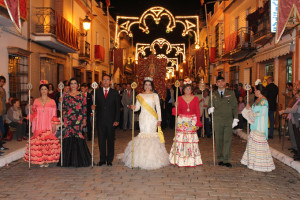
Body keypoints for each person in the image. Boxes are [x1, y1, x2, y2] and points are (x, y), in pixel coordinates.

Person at [121, 77, 169, 170]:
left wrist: (159, 119)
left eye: (149, 85)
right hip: (143, 118)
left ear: (151, 86)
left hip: (152, 118)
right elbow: (138, 108)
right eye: (146, 84)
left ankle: (153, 158)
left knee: (152, 135)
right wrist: (134, 107)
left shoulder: (155, 95)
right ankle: (141, 158)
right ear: (144, 86)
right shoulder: (139, 95)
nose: (147, 86)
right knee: (143, 135)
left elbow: (158, 108)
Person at [23, 81, 60, 167]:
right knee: (39, 142)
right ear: (40, 90)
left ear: (48, 90)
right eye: (42, 89)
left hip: (48, 124)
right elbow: (33, 113)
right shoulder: (36, 101)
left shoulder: (52, 101)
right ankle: (41, 160)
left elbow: (54, 114)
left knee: (46, 143)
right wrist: (30, 108)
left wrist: (54, 125)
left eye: (45, 89)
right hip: (38, 124)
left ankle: (46, 160)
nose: (44, 90)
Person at [241, 79, 275, 172]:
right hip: (255, 125)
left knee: (258, 144)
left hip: (259, 125)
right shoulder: (258, 100)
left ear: (259, 91)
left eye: (255, 90)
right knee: (252, 143)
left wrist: (250, 111)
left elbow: (261, 113)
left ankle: (260, 163)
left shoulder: (264, 101)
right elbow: (253, 109)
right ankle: (252, 161)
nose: (254, 92)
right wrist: (249, 109)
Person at [58, 78, 91, 167]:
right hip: (69, 119)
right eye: (71, 83)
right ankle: (68, 160)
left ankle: (80, 160)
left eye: (74, 83)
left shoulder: (82, 95)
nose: (73, 85)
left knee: (78, 135)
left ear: (77, 85)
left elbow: (84, 108)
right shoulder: (66, 95)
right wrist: (61, 102)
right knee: (68, 135)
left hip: (78, 118)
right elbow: (64, 108)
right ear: (69, 85)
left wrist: (84, 119)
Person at [169, 78, 203, 167]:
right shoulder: (179, 98)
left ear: (192, 90)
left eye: (189, 88)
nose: (187, 90)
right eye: (186, 88)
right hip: (182, 121)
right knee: (181, 140)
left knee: (190, 140)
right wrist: (175, 106)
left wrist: (198, 122)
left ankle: (191, 160)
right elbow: (176, 112)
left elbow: (197, 111)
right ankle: (179, 158)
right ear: (183, 89)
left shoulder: (195, 99)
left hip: (192, 121)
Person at [208, 76, 238, 168]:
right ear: (216, 84)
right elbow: (209, 105)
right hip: (217, 120)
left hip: (228, 119)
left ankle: (227, 159)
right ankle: (220, 158)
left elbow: (234, 106)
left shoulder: (231, 93)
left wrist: (235, 118)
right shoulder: (213, 94)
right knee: (218, 139)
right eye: (218, 82)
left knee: (227, 140)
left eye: (222, 81)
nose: (220, 83)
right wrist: (210, 110)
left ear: (224, 83)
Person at [94, 74, 120, 166]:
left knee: (110, 140)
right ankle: (102, 159)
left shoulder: (114, 92)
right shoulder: (97, 92)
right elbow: (94, 105)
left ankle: (109, 159)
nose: (105, 81)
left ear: (110, 82)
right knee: (101, 140)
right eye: (104, 80)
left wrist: (117, 119)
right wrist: (93, 108)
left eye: (107, 80)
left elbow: (117, 107)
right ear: (101, 81)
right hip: (100, 120)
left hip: (111, 120)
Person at [279, 87, 300, 161]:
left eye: (295, 91)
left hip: (297, 121)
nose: (294, 93)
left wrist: (284, 111)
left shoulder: (299, 101)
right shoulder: (297, 100)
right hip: (294, 120)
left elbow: (294, 110)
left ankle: (299, 154)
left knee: (298, 138)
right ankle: (298, 153)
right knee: (296, 137)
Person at [0, 75, 8, 153]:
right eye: (0, 81)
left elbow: (4, 101)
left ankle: (1, 145)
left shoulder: (4, 90)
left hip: (2, 111)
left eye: (3, 82)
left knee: (2, 130)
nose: (1, 83)